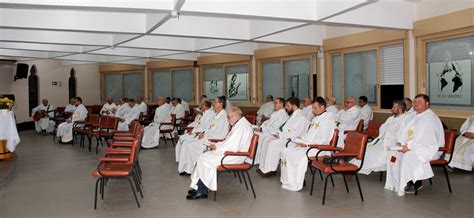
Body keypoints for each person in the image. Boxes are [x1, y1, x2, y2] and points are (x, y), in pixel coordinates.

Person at [186, 106, 253, 200]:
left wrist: (217, 147)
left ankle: (202, 191)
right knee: (203, 156)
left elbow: (233, 147)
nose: (227, 120)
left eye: (229, 117)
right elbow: (228, 142)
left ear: (235, 116)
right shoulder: (239, 124)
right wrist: (217, 145)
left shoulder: (241, 127)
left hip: (235, 156)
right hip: (231, 152)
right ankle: (199, 187)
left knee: (204, 160)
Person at [385, 94, 444, 196]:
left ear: (427, 104)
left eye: (419, 102)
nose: (416, 104)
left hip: (429, 148)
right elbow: (405, 131)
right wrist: (401, 142)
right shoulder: (415, 116)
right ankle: (397, 181)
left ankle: (412, 183)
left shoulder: (430, 117)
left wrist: (408, 147)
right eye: (415, 102)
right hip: (415, 146)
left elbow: (425, 137)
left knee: (408, 155)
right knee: (394, 153)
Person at [280, 97, 336, 191]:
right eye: (312, 108)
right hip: (309, 145)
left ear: (322, 107)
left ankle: (296, 181)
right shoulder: (316, 119)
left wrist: (306, 144)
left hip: (319, 149)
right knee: (286, 151)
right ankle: (289, 179)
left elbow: (323, 139)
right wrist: (301, 140)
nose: (313, 111)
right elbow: (309, 134)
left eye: (315, 108)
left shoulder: (327, 120)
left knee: (294, 153)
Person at [256, 97, 310, 176]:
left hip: (292, 141)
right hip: (286, 137)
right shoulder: (293, 115)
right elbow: (285, 129)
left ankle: (270, 169)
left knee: (272, 144)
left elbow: (296, 133)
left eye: (288, 106)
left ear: (294, 106)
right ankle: (264, 167)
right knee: (267, 140)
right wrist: (278, 133)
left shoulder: (300, 117)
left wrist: (280, 135)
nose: (286, 108)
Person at [350, 100, 406, 175]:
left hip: (392, 143)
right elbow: (383, 127)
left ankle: (360, 166)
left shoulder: (404, 119)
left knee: (372, 151)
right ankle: (354, 165)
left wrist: (388, 131)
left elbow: (400, 134)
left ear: (400, 109)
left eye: (394, 107)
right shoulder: (391, 118)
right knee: (366, 148)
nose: (392, 109)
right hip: (383, 139)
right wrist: (386, 131)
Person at [176, 96, 229, 175]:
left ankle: (192, 169)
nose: (213, 104)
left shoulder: (223, 116)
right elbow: (210, 128)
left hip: (213, 141)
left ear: (220, 104)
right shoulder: (218, 115)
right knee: (187, 143)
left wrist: (205, 134)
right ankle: (188, 168)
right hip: (207, 137)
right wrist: (203, 133)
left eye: (215, 102)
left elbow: (220, 134)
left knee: (189, 145)